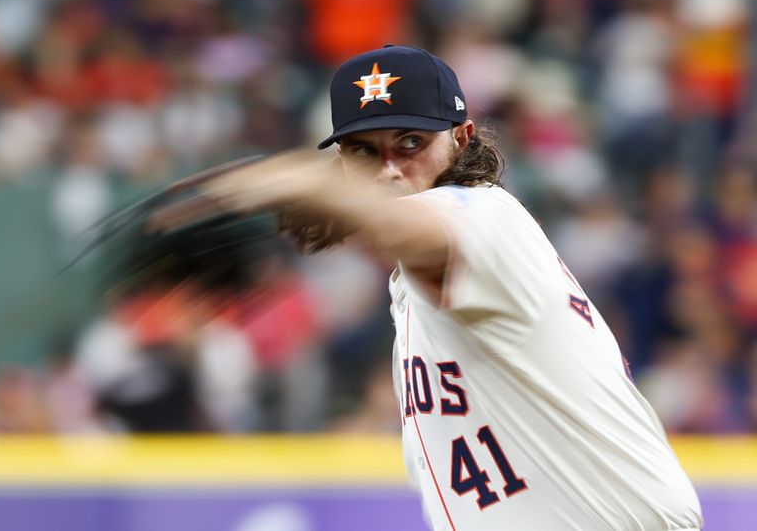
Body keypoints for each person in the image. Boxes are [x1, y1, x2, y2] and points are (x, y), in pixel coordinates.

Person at [166, 45, 704, 530]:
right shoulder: (422, 283)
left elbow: (418, 229)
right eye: (363, 153)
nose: (389, 171)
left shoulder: (487, 216)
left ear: (462, 138)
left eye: (411, 142)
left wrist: (294, 180)